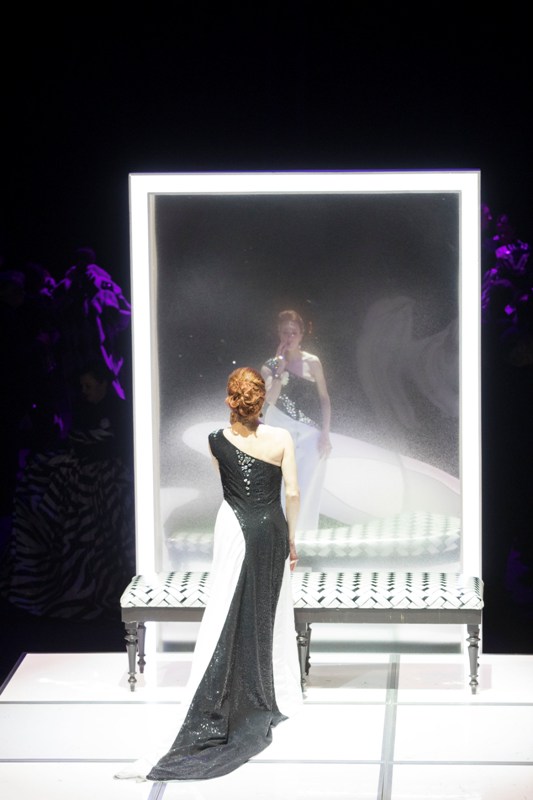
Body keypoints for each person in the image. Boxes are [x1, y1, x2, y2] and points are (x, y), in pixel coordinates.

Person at [143, 367, 302, 782]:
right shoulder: (282, 439)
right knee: (265, 610)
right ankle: (263, 688)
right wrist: (292, 538)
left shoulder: (215, 441)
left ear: (231, 399)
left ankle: (228, 685)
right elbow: (292, 493)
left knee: (227, 605)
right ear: (261, 399)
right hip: (271, 529)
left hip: (233, 527)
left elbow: (230, 487)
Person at [261, 309, 331, 534]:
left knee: (307, 483)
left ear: (301, 335)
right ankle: (280, 536)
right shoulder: (269, 366)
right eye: (285, 332)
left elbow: (324, 398)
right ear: (279, 334)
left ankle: (304, 536)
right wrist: (279, 369)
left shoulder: (313, 362)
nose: (289, 337)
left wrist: (326, 433)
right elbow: (270, 400)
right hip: (280, 428)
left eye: (293, 333)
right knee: (282, 483)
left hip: (310, 431)